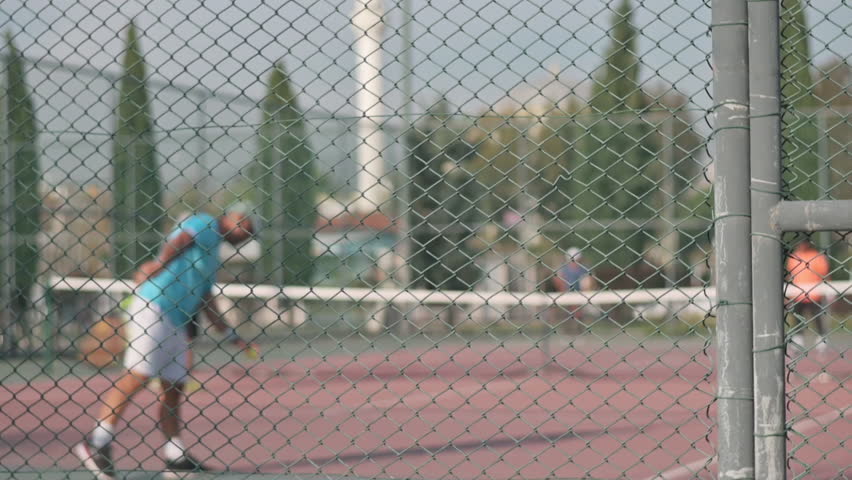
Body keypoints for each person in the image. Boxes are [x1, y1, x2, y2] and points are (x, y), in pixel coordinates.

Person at [74, 211, 256, 479]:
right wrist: (158, 265)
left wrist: (231, 335)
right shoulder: (206, 224)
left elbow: (206, 297)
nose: (245, 234)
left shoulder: (213, 252)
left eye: (249, 233)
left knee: (174, 387)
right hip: (154, 306)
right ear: (232, 217)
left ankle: (175, 454)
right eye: (245, 227)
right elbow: (181, 240)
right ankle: (96, 443)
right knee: (136, 377)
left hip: (177, 321)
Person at [786, 239, 830, 351]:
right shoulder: (794, 257)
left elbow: (825, 274)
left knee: (817, 317)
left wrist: (828, 291)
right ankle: (798, 338)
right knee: (797, 317)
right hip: (798, 294)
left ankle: (821, 339)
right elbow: (790, 274)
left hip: (814, 294)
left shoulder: (817, 256)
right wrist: (788, 293)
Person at [551, 247, 595, 333]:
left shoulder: (584, 269)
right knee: (567, 311)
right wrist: (563, 291)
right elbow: (557, 280)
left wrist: (585, 291)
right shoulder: (563, 269)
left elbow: (589, 281)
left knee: (578, 311)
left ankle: (579, 328)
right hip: (566, 293)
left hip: (580, 294)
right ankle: (568, 328)